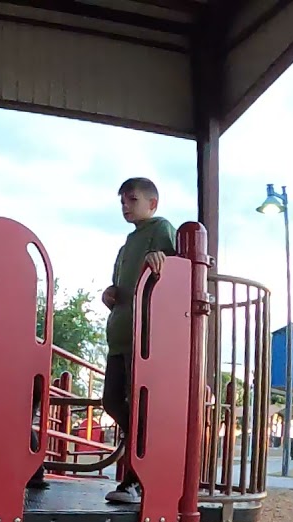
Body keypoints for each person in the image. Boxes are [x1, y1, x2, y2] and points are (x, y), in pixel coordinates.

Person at [102, 177, 176, 505]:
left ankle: (135, 480)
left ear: (152, 203)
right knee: (112, 402)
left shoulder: (161, 229)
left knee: (139, 407)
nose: (125, 207)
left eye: (132, 200)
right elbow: (119, 286)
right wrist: (110, 293)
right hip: (120, 336)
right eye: (122, 202)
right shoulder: (125, 246)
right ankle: (146, 446)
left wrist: (164, 263)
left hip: (144, 338)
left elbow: (178, 274)